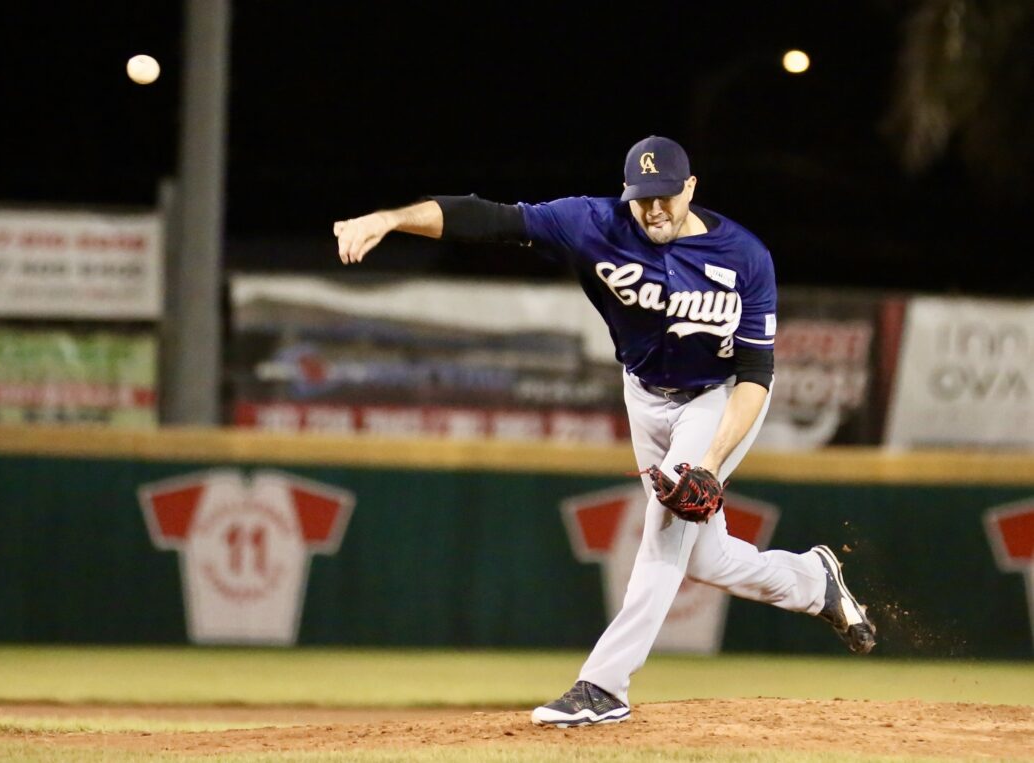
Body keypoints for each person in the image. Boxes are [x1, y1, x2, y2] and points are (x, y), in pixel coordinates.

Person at [333, 135, 877, 728]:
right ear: (627, 195)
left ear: (690, 188)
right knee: (706, 560)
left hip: (716, 398)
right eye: (644, 199)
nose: (656, 210)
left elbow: (756, 374)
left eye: (668, 195)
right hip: (643, 392)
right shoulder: (590, 223)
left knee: (667, 525)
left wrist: (710, 465)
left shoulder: (745, 257)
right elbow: (484, 218)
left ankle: (603, 684)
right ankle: (812, 581)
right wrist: (389, 219)